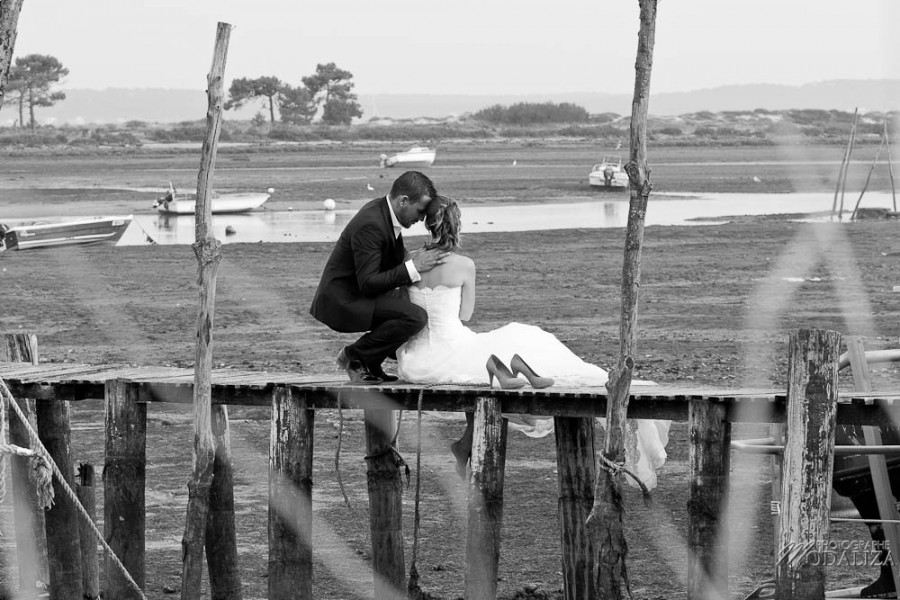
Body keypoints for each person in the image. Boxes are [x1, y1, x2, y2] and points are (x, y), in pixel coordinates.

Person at [395, 195, 671, 486]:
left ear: (427, 223)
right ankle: (486, 408)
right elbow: (465, 314)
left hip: (418, 359)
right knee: (508, 344)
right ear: (457, 225)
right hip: (451, 342)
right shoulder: (464, 265)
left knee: (479, 367)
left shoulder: (409, 261)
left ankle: (467, 439)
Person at [310, 171, 449, 384]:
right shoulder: (372, 224)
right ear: (403, 201)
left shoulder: (385, 213)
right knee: (414, 317)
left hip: (356, 294)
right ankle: (353, 356)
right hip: (343, 301)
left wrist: (416, 260)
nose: (422, 218)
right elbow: (368, 283)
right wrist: (413, 267)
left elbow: (391, 257)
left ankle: (371, 362)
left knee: (406, 307)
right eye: (420, 210)